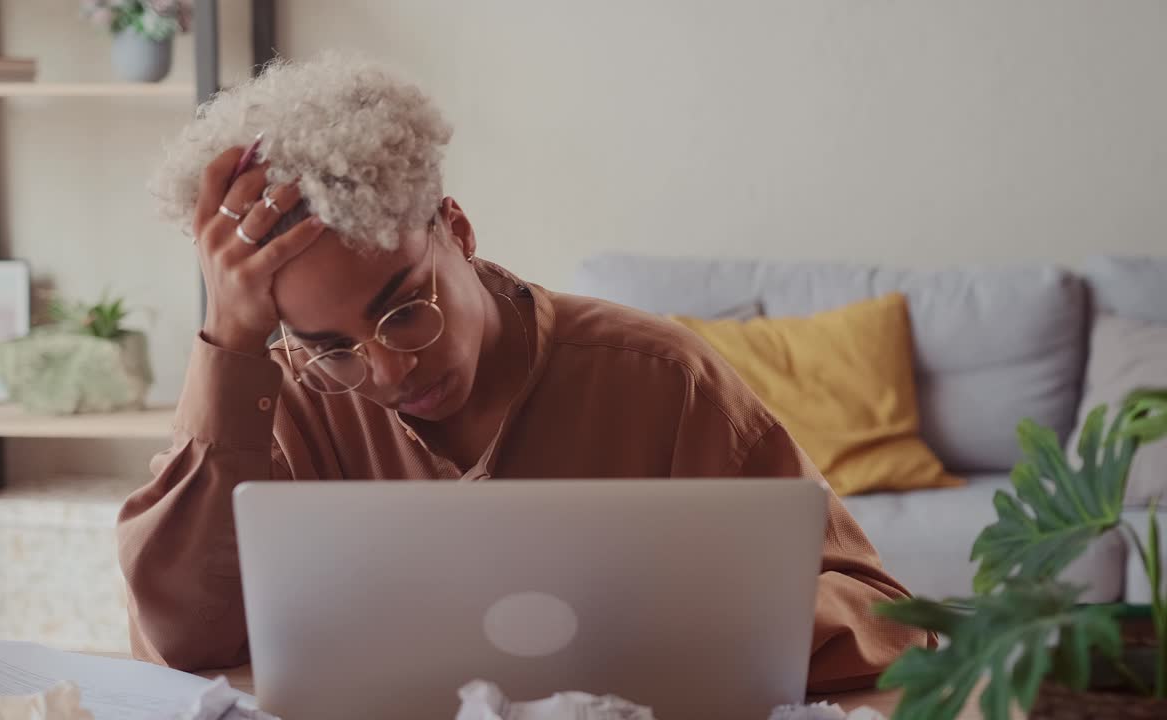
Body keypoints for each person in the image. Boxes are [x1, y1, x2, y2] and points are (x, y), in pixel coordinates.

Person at [119, 53, 928, 692]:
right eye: (333, 346)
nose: (390, 368)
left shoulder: (661, 377)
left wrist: (659, 630)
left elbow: (885, 616)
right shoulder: (288, 397)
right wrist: (229, 343)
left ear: (458, 229)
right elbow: (183, 638)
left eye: (405, 308)